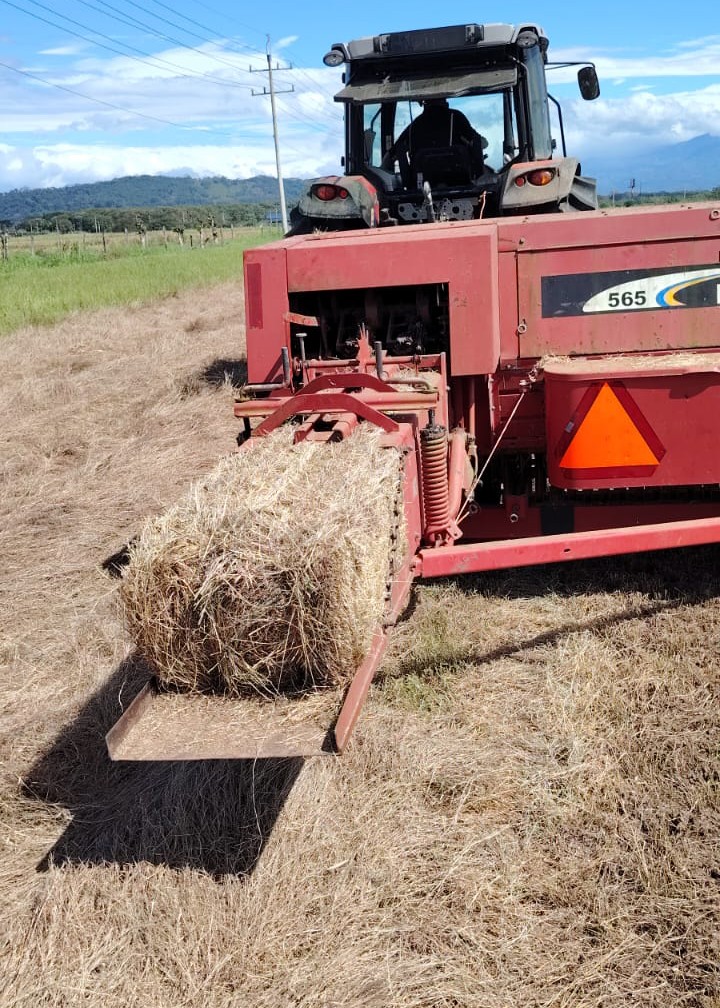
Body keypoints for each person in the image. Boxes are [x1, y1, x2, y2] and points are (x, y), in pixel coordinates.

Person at [382, 98, 487, 183]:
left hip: (420, 189)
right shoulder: (456, 118)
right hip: (459, 183)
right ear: (445, 99)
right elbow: (480, 143)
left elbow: (390, 156)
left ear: (422, 102)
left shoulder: (414, 126)